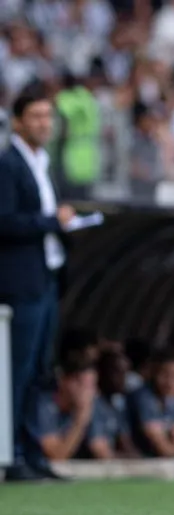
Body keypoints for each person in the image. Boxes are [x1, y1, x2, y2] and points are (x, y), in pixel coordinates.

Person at [0, 82, 78, 482]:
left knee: (40, 372)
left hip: (46, 279)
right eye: (36, 116)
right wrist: (51, 222)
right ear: (17, 122)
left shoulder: (44, 163)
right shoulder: (7, 165)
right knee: (17, 370)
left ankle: (34, 451)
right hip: (22, 283)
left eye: (48, 116)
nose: (44, 123)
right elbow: (5, 221)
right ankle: (10, 452)